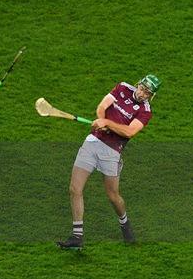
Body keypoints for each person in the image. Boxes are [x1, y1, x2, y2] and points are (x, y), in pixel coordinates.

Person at [57, 74, 161, 249]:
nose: (143, 93)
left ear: (152, 96)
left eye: (148, 93)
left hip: (112, 151)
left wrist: (108, 123)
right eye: (142, 88)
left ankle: (124, 223)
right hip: (92, 142)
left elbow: (129, 132)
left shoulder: (145, 111)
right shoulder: (122, 88)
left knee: (113, 196)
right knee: (75, 188)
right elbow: (102, 106)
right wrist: (100, 119)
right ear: (138, 84)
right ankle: (77, 237)